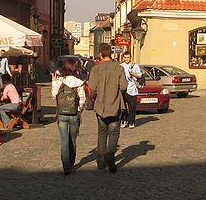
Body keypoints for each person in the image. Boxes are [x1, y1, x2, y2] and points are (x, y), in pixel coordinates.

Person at [87, 43, 127, 173]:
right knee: (114, 133)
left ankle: (100, 160)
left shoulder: (95, 69)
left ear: (100, 54)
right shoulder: (118, 68)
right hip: (115, 105)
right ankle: (110, 155)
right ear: (111, 53)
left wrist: (94, 98)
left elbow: (91, 89)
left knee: (102, 133)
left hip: (100, 106)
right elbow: (124, 87)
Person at [52, 57, 86, 174]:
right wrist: (78, 109)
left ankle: (66, 166)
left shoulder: (59, 81)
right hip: (74, 114)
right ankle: (71, 162)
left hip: (61, 113)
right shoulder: (79, 82)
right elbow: (82, 100)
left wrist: (53, 82)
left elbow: (54, 96)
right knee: (72, 139)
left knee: (64, 140)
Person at [120, 50, 142, 129]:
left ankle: (131, 121)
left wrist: (132, 73)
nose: (126, 59)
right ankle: (123, 120)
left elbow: (139, 76)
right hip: (123, 89)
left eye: (128, 57)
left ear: (130, 58)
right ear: (123, 58)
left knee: (132, 107)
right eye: (125, 57)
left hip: (132, 89)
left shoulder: (135, 66)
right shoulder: (120, 66)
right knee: (123, 107)